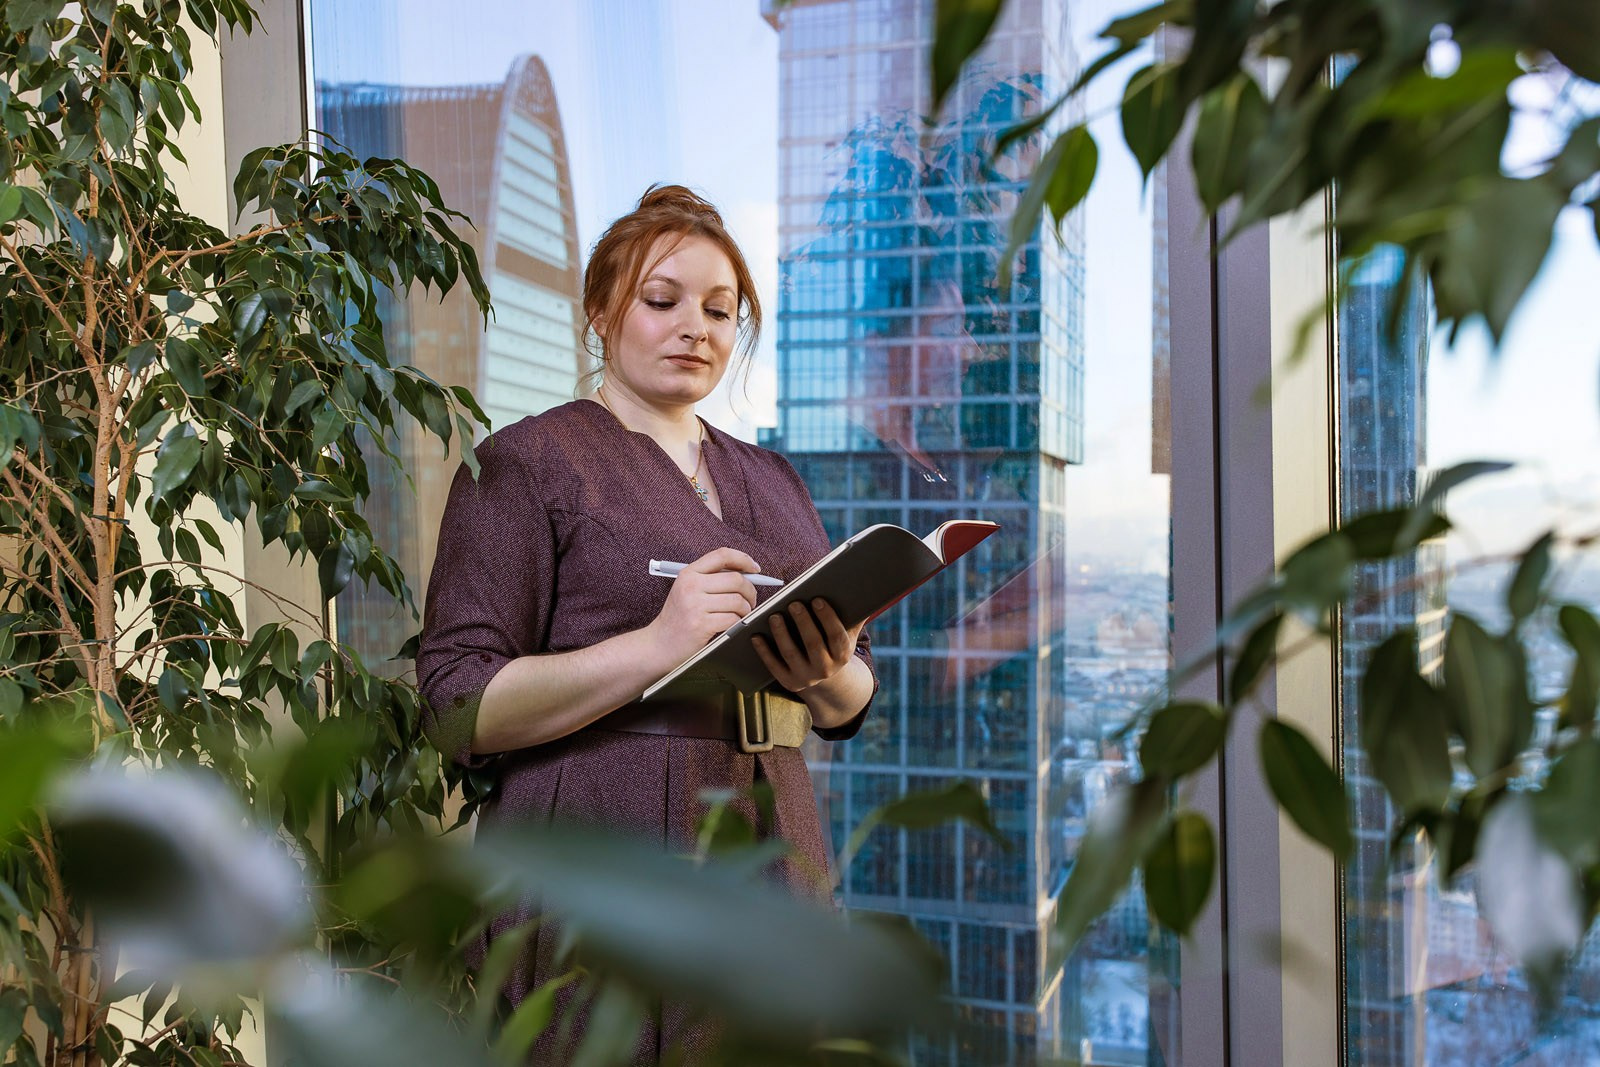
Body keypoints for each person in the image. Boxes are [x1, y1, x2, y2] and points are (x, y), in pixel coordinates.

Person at [416, 184, 877, 1062]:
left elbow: (850, 700)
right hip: (597, 845)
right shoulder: (524, 463)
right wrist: (655, 647)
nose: (694, 327)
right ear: (599, 312)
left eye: (719, 309)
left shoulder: (773, 477)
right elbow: (454, 703)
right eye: (661, 301)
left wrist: (830, 670)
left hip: (772, 837)